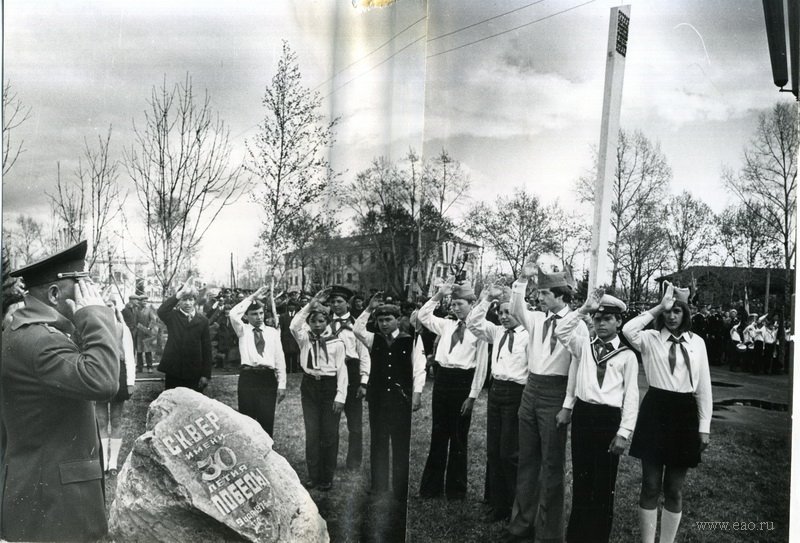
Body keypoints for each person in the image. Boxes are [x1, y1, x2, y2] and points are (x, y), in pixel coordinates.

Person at [1, 240, 119, 542]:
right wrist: (95, 314)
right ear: (54, 294)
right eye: (82, 285)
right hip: (54, 504)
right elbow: (103, 380)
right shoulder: (42, 341)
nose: (92, 293)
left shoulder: (25, 331)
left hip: (41, 491)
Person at [622, 282, 712, 543]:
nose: (671, 317)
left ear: (686, 314)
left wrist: (704, 426)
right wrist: (658, 306)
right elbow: (629, 329)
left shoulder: (698, 344)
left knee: (673, 488)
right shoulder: (649, 339)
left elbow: (704, 387)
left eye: (677, 312)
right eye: (667, 312)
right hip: (656, 411)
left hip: (684, 414)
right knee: (650, 485)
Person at [504, 263, 585, 543]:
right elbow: (516, 309)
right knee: (527, 461)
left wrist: (567, 404)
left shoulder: (578, 324)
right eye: (538, 294)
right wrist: (522, 282)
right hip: (531, 390)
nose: (540, 299)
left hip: (556, 393)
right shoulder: (537, 319)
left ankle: (548, 534)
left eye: (545, 293)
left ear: (562, 296)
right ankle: (521, 525)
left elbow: (577, 367)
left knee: (551, 467)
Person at [555, 289, 640, 543]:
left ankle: (597, 536)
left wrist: (624, 432)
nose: (601, 324)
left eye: (607, 319)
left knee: (603, 484)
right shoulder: (584, 346)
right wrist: (583, 310)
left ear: (619, 322)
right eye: (597, 319)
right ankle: (576, 536)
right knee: (582, 480)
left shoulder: (627, 356)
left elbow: (631, 397)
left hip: (608, 419)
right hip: (584, 415)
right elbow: (561, 331)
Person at [416, 280, 488, 500]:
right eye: (453, 304)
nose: (455, 308)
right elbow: (423, 316)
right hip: (443, 379)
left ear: (472, 304)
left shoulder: (479, 329)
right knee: (439, 434)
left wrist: (472, 396)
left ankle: (456, 490)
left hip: (463, 381)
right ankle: (431, 488)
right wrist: (439, 295)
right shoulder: (447, 325)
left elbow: (482, 365)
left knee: (458, 437)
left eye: (459, 304)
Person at [353, 293, 426, 501]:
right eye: (380, 320)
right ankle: (379, 485)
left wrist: (417, 394)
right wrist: (368, 309)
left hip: (400, 400)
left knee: (401, 443)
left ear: (398, 320)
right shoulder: (373, 339)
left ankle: (400, 488)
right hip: (378, 400)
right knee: (378, 441)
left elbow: (419, 369)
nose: (384, 324)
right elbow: (357, 329)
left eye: (388, 320)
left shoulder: (410, 340)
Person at [466, 285, 529, 523]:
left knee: (509, 452)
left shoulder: (528, 334)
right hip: (496, 391)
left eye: (508, 312)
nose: (503, 317)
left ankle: (514, 505)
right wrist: (486, 300)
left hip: (517, 392)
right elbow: (473, 322)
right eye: (500, 312)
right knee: (493, 449)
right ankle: (497, 503)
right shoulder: (496, 332)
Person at [290, 288, 348, 491]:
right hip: (310, 386)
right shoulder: (304, 338)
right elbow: (293, 324)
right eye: (313, 321)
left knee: (329, 433)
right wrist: (311, 304)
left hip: (329, 386)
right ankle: (313, 476)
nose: (316, 325)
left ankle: (326, 476)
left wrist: (340, 396)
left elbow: (342, 371)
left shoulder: (337, 343)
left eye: (321, 321)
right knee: (312, 432)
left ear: (327, 322)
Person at [229, 286, 286, 437]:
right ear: (246, 316)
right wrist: (251, 298)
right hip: (248, 378)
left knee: (266, 419)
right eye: (254, 314)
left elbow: (279, 359)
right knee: (247, 420)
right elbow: (233, 314)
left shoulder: (272, 333)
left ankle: (266, 454)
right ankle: (249, 455)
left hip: (267, 378)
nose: (259, 317)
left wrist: (282, 384)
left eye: (261, 313)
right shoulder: (243, 330)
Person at [327, 285, 371, 470]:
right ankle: (329, 460)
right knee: (330, 422)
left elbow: (364, 355)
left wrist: (363, 382)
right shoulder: (324, 325)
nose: (336, 305)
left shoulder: (357, 326)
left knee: (354, 424)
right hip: (332, 374)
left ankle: (353, 461)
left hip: (352, 372)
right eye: (333, 302)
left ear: (348, 304)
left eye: (340, 302)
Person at [95, 292, 137, 476]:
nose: (108, 308)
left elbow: (129, 356)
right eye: (104, 305)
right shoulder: (95, 328)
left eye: (110, 305)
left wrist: (130, 382)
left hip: (118, 374)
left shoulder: (122, 328)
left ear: (115, 307)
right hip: (100, 375)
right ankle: (103, 462)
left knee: (117, 419)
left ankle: (113, 463)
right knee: (101, 420)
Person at [157, 276, 213, 392]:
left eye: (191, 300)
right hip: (174, 370)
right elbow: (161, 311)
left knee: (193, 404)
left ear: (195, 300)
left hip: (194, 371)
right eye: (184, 299)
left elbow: (207, 348)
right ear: (179, 301)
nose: (188, 303)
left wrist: (205, 374)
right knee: (173, 403)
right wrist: (179, 294)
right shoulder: (172, 316)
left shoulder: (202, 320)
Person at [135, 296, 158, 373]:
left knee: (148, 351)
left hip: (147, 334)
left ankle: (149, 367)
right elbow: (134, 320)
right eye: (143, 301)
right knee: (139, 351)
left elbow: (153, 320)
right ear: (140, 302)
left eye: (146, 301)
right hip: (139, 334)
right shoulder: (136, 310)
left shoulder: (149, 310)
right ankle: (139, 367)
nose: (145, 302)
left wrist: (149, 328)